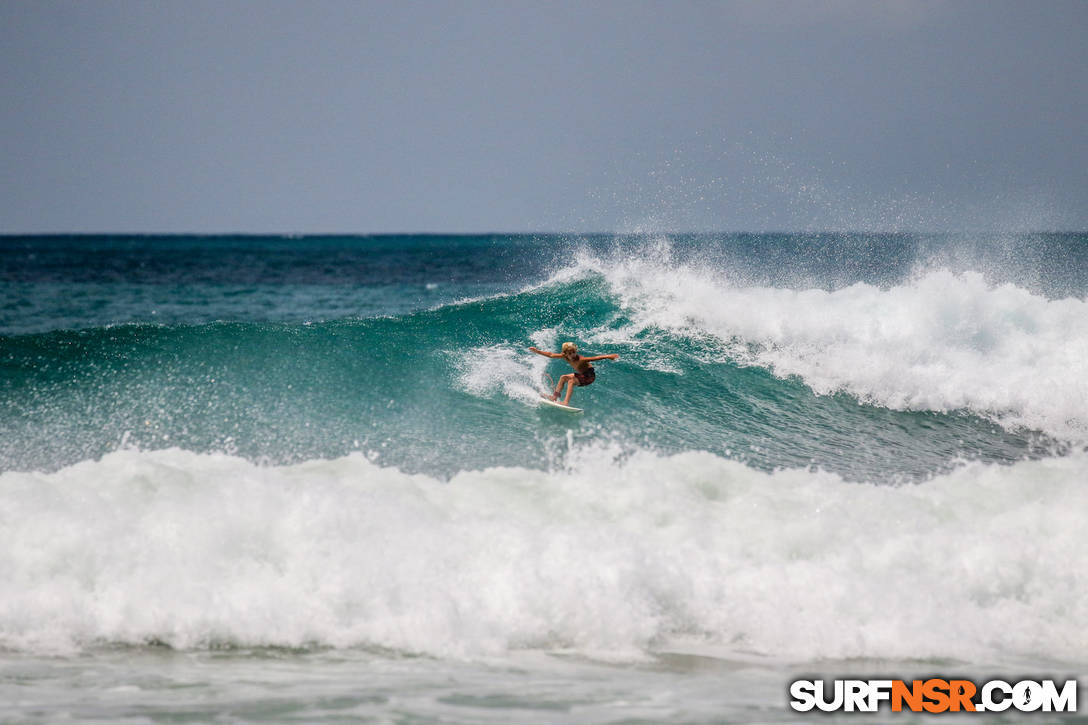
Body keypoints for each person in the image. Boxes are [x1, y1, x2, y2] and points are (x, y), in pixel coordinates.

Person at [528, 342, 619, 406]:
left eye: (574, 352)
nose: (573, 355)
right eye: (570, 353)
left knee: (571, 381)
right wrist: (537, 351)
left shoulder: (580, 359)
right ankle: (554, 397)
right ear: (565, 354)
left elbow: (595, 357)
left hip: (589, 377)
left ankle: (565, 402)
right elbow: (551, 354)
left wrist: (609, 356)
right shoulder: (564, 356)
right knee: (563, 377)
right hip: (582, 375)